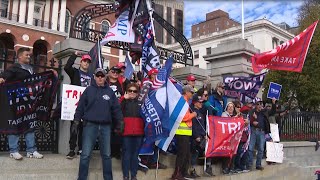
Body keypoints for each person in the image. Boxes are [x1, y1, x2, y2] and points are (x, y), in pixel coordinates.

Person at [74, 68, 123, 180]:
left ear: (105, 77)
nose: (100, 78)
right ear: (94, 77)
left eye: (102, 76)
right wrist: (76, 120)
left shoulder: (110, 92)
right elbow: (80, 107)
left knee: (106, 155)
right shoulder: (88, 90)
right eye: (98, 76)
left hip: (105, 127)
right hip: (90, 125)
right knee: (85, 155)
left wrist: (120, 121)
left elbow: (116, 109)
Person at [0, 47, 44, 160]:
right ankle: (13, 151)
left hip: (29, 103)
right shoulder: (14, 68)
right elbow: (5, 77)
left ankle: (31, 150)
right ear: (19, 56)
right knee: (14, 124)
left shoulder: (31, 69)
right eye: (26, 55)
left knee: (30, 125)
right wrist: (2, 79)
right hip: (16, 103)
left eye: (29, 55)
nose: (29, 57)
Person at [64, 51, 93, 159]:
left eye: (88, 62)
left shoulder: (92, 76)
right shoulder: (75, 72)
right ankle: (72, 149)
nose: (86, 63)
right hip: (74, 106)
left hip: (87, 105)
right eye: (84, 61)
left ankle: (81, 148)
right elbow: (67, 67)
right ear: (80, 62)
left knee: (84, 128)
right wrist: (74, 54)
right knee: (74, 126)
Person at [171, 85, 197, 180]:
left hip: (185, 132)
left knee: (186, 154)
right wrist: (192, 115)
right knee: (182, 154)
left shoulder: (185, 102)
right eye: (191, 92)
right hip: (181, 132)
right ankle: (177, 174)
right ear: (186, 92)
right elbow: (182, 117)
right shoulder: (182, 102)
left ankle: (183, 173)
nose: (192, 94)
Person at [120, 83, 144, 180]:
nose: (132, 93)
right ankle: (126, 175)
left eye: (135, 91)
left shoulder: (141, 103)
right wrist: (122, 98)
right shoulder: (123, 102)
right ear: (127, 91)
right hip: (126, 132)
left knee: (135, 155)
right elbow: (115, 109)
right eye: (130, 90)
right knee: (127, 154)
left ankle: (133, 175)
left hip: (139, 133)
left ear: (138, 93)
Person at [248, 99, 276, 171]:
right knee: (250, 148)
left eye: (261, 104)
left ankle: (258, 164)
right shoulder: (252, 112)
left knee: (261, 149)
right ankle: (250, 164)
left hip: (262, 132)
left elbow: (273, 111)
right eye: (258, 104)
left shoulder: (265, 112)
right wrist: (252, 121)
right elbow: (248, 121)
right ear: (256, 105)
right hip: (254, 131)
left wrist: (273, 103)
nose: (260, 105)